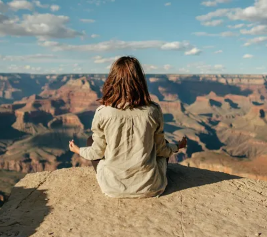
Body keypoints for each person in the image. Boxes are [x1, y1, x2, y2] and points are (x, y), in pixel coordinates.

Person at [69, 56, 187, 199]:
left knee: (90, 141)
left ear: (112, 81)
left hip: (112, 188)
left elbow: (97, 152)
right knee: (164, 144)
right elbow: (162, 150)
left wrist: (77, 150)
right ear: (140, 81)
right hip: (150, 187)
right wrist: (177, 146)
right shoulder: (153, 111)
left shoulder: (103, 112)